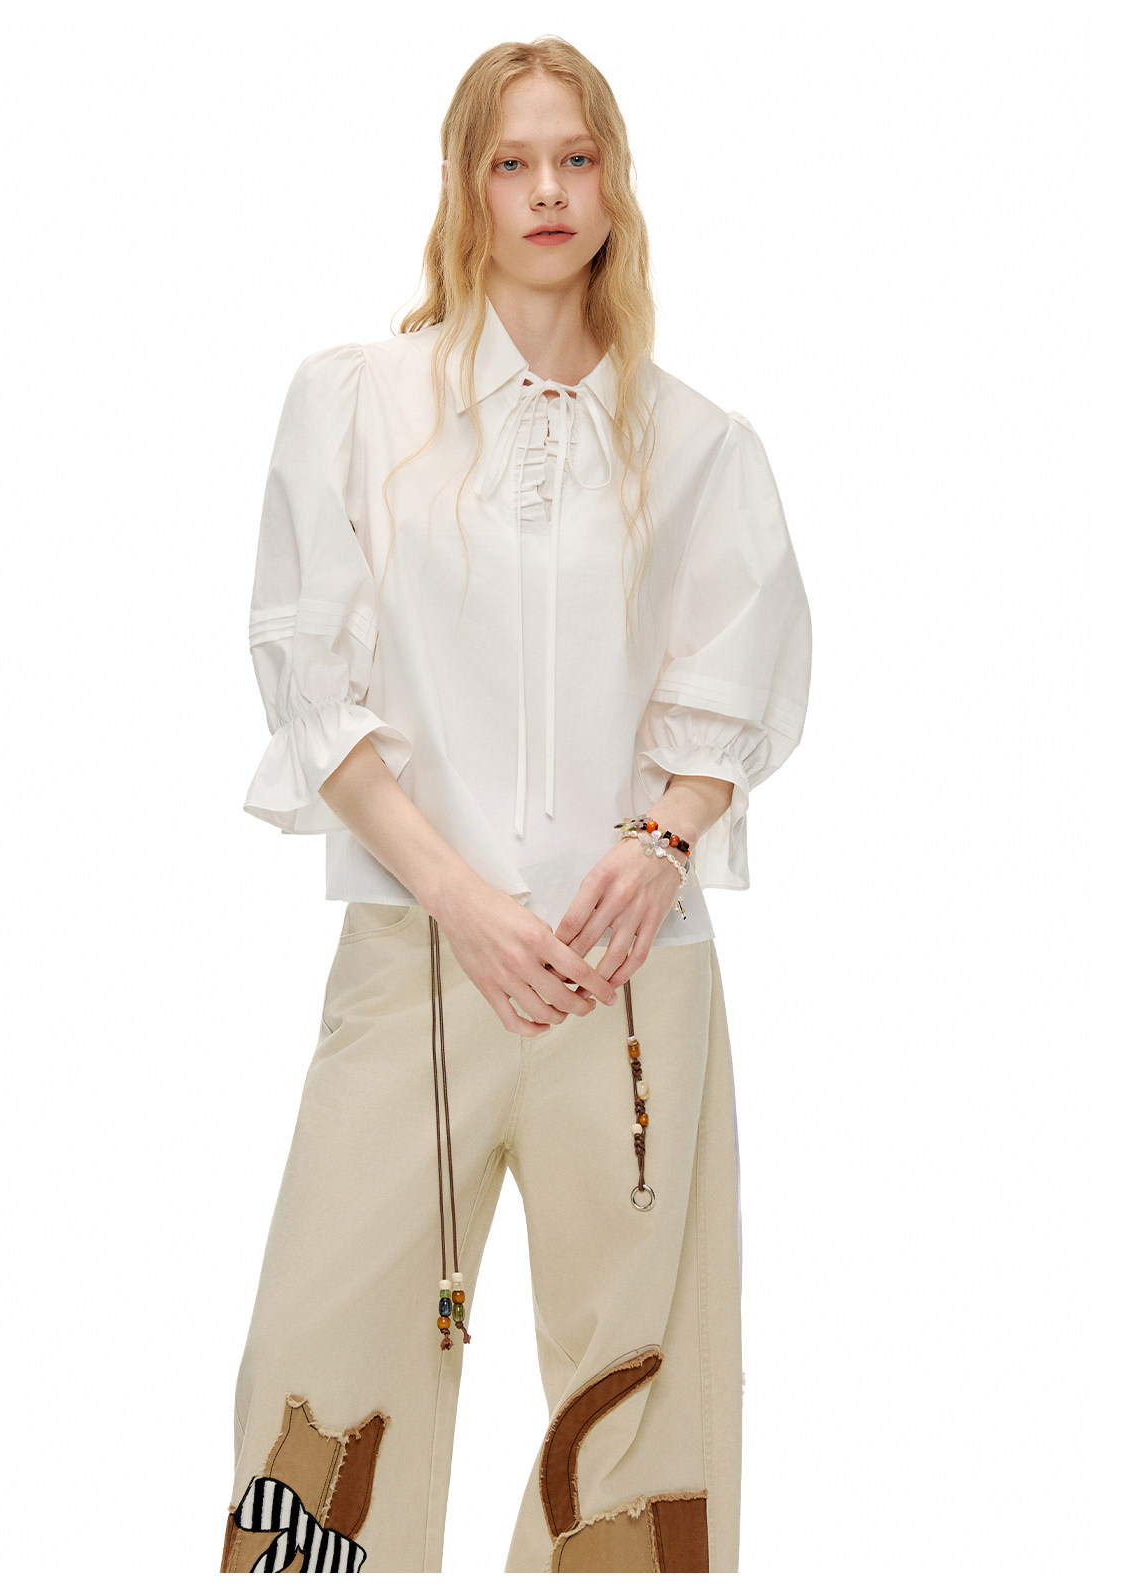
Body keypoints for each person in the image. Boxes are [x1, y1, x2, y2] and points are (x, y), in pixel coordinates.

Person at [219, 35, 812, 1575]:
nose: (549, 190)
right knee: (323, 1369)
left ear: (614, 184)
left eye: (576, 158)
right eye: (513, 161)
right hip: (419, 960)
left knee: (643, 1412)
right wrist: (464, 899)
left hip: (634, 981)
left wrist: (660, 841)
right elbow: (314, 690)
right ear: (465, 186)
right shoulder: (358, 404)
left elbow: (734, 694)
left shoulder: (698, 445)